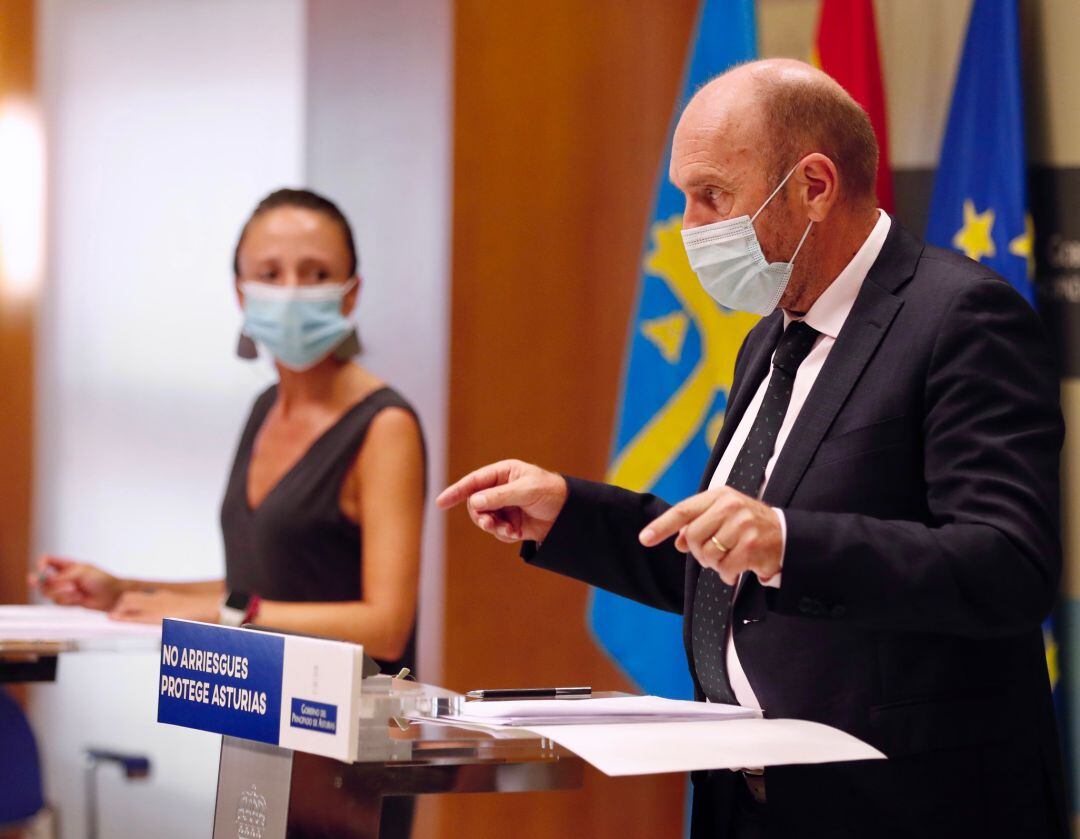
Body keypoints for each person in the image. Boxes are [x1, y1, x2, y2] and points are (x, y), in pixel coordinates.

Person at [438, 60, 1067, 839]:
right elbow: (727, 568)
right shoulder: (771, 334)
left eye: (712, 196)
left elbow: (1007, 565)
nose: (689, 228)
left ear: (813, 185)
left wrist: (789, 541)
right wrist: (570, 514)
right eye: (683, 198)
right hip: (749, 806)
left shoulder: (960, 318)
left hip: (907, 804)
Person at [32, 188, 425, 678]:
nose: (291, 290)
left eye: (317, 273)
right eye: (270, 274)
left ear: (352, 292)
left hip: (347, 734)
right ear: (241, 293)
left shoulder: (385, 426)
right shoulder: (265, 408)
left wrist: (228, 614)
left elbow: (386, 626)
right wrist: (124, 591)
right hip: (257, 717)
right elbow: (261, 587)